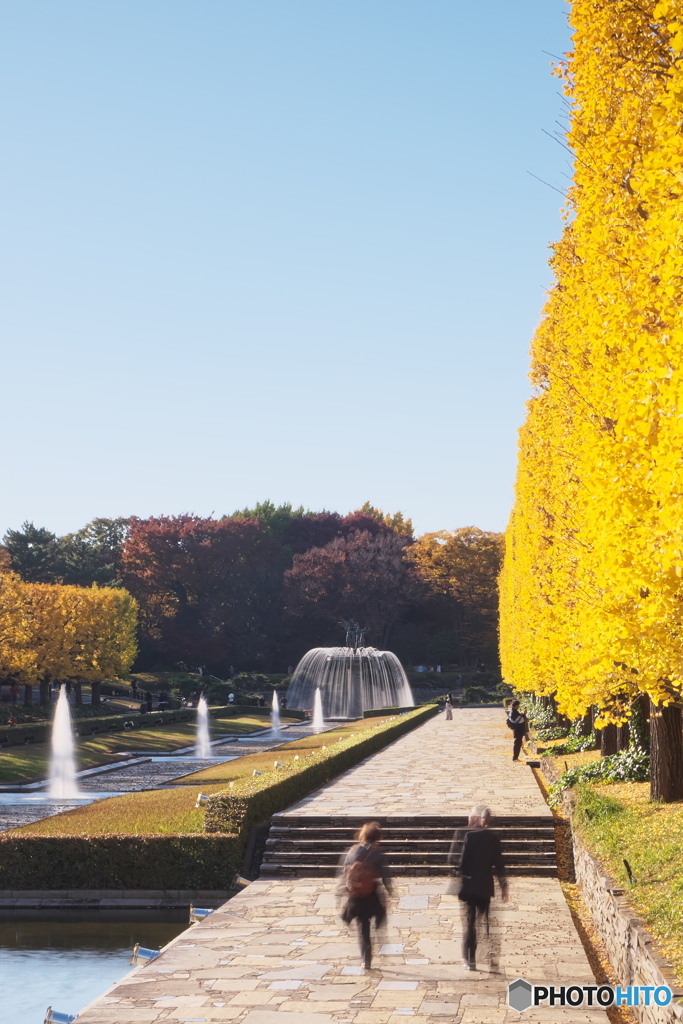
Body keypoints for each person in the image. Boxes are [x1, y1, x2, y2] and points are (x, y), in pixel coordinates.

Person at [448, 805, 507, 970]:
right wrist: (504, 886)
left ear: (479, 819)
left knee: (470, 923)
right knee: (482, 922)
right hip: (485, 887)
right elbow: (500, 865)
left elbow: (460, 862)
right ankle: (488, 959)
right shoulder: (493, 838)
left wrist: (461, 873)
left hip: (469, 886)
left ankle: (470, 959)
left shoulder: (468, 836)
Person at [337, 821, 393, 970]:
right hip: (372, 895)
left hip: (356, 896)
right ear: (377, 837)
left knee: (363, 927)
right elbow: (386, 877)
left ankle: (366, 958)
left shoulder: (352, 851)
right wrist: (390, 891)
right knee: (380, 915)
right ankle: (380, 938)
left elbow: (343, 872)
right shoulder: (378, 853)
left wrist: (340, 891)